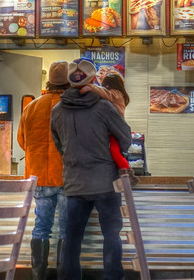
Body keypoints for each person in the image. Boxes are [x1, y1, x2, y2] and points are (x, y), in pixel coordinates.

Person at [50, 58, 132, 280]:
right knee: (111, 234)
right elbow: (125, 137)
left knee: (72, 236)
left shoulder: (57, 111)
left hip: (74, 183)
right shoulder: (104, 107)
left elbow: (59, 145)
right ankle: (112, 277)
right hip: (106, 183)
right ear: (93, 80)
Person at [17, 61, 70, 280]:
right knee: (67, 230)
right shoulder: (72, 106)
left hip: (38, 176)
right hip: (66, 176)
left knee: (41, 227)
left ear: (48, 83)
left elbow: (22, 141)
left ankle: (38, 275)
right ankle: (64, 276)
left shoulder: (31, 107)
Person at [81, 73, 139, 186]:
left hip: (114, 130)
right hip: (113, 129)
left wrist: (90, 87)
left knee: (115, 152)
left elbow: (104, 92)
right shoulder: (119, 95)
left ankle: (128, 176)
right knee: (114, 152)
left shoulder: (115, 94)